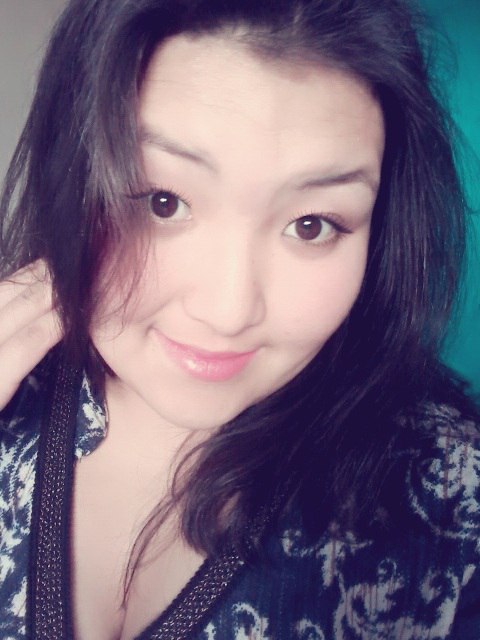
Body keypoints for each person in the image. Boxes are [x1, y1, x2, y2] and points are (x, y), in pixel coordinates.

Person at [0, 0, 479, 638]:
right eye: (162, 202)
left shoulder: (451, 499)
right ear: (73, 176)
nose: (229, 312)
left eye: (311, 225)